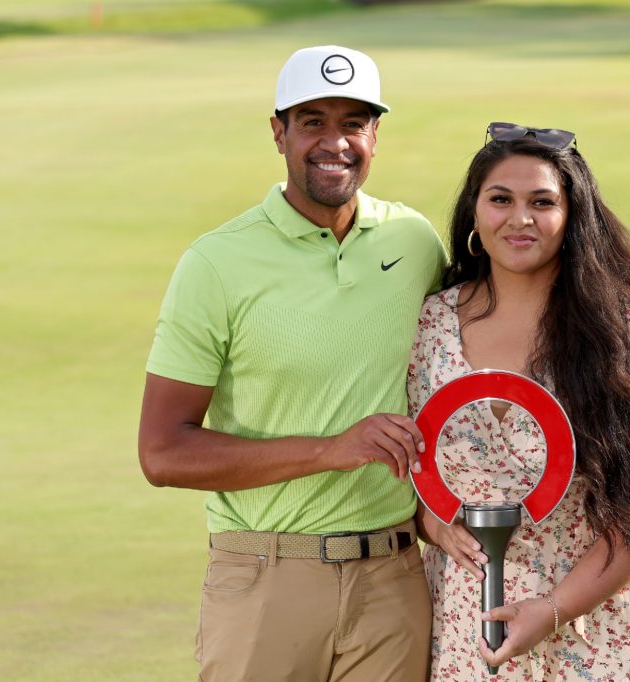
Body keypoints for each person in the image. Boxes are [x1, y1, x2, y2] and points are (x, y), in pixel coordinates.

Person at [138, 45, 446, 681]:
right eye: (312, 121)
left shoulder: (414, 242)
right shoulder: (215, 264)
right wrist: (332, 448)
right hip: (265, 579)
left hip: (395, 578)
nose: (334, 142)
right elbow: (163, 453)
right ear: (278, 131)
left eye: (353, 123)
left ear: (375, 135)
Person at [408, 123, 630, 680]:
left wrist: (555, 609)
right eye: (500, 199)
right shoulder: (428, 323)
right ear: (474, 214)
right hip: (468, 626)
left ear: (574, 216)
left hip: (602, 628)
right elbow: (401, 458)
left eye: (543, 202)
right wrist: (433, 522)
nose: (520, 218)